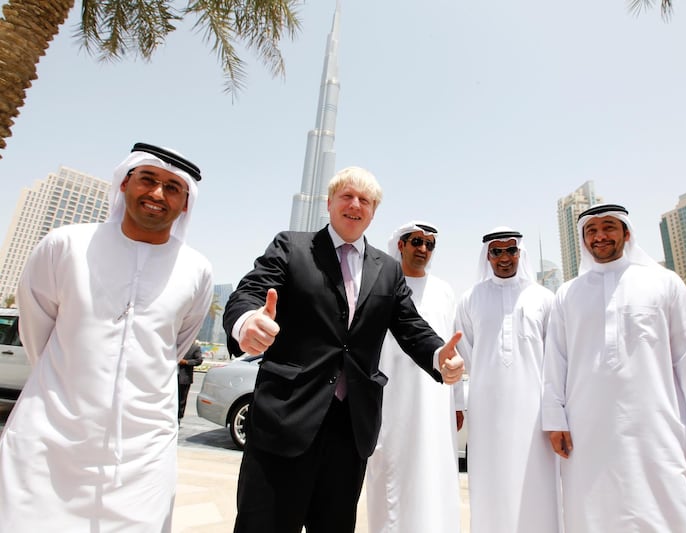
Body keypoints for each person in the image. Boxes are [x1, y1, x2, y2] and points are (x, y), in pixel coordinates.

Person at [223, 167, 465, 533]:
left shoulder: (387, 271)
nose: (355, 205)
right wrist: (246, 322)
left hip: (350, 430)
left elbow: (410, 327)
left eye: (365, 200)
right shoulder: (292, 247)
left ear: (373, 211)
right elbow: (248, 293)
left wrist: (439, 357)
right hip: (286, 420)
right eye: (347, 196)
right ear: (330, 203)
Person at [0, 143, 213, 531]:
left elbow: (174, 346)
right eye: (147, 179)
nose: (156, 194)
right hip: (50, 441)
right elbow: (37, 332)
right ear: (125, 184)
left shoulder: (196, 270)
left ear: (185, 204)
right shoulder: (65, 245)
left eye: (172, 187)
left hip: (142, 454)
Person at [542, 203, 686, 532]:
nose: (599, 236)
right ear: (583, 239)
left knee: (664, 507)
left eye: (608, 228)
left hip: (658, 427)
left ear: (627, 233)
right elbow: (555, 361)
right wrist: (555, 420)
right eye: (591, 230)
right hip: (587, 429)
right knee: (593, 511)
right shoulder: (567, 294)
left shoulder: (664, 283)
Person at [454, 227, 561, 533]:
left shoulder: (544, 298)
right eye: (496, 251)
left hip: (535, 411)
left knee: (538, 485)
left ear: (520, 253)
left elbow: (554, 357)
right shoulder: (470, 299)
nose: (504, 257)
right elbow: (467, 353)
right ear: (487, 256)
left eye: (510, 250)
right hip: (487, 410)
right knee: (490, 484)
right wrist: (492, 379)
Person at [365, 221, 461, 533]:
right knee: (390, 478)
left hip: (433, 403)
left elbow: (452, 351)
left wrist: (457, 401)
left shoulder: (445, 291)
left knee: (432, 476)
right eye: (416, 241)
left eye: (430, 244)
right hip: (389, 402)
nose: (423, 249)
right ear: (401, 245)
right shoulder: (379, 286)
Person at [178, 340, 204, 423]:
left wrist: (186, 362)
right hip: (171, 377)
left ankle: (179, 417)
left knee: (181, 399)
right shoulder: (176, 345)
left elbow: (199, 360)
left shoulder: (194, 347)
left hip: (184, 378)